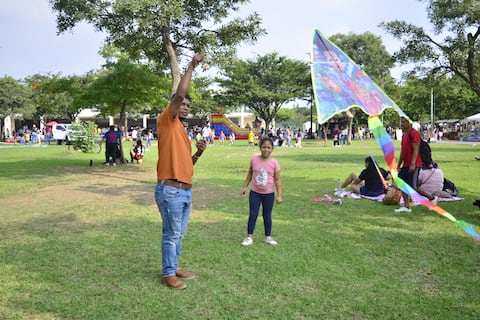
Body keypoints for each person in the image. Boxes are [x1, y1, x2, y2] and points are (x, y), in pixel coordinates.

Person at [155, 53, 207, 290]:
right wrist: (191, 66)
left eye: (188, 105)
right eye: (182, 103)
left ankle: (173, 266)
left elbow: (187, 166)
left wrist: (198, 154)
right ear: (174, 104)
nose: (185, 106)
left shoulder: (182, 134)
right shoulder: (167, 119)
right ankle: (168, 273)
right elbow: (180, 93)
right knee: (171, 234)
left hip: (185, 190)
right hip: (171, 189)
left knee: (178, 234)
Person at [240, 137, 283, 247]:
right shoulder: (254, 160)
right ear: (260, 148)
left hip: (268, 194)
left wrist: (279, 195)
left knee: (267, 215)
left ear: (272, 149)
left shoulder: (274, 163)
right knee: (253, 214)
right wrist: (244, 187)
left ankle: (268, 237)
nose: (266, 150)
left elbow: (277, 180)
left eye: (268, 148)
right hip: (255, 193)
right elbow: (250, 174)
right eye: (264, 147)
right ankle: (249, 237)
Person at [395, 118, 422, 213]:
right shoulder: (404, 136)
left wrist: (413, 163)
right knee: (401, 182)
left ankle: (431, 198)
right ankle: (406, 206)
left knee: (413, 187)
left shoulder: (413, 133)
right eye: (401, 122)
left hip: (414, 164)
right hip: (406, 164)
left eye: (404, 122)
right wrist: (398, 165)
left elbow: (416, 148)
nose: (402, 124)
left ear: (409, 123)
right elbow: (403, 152)